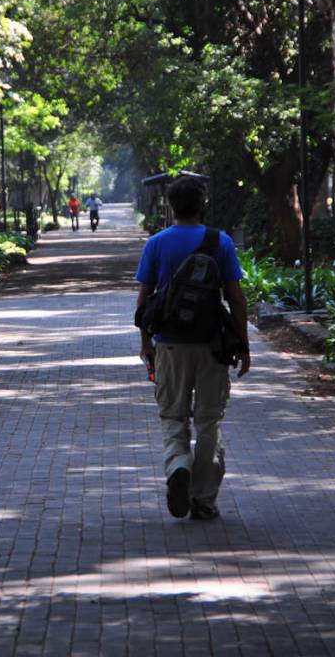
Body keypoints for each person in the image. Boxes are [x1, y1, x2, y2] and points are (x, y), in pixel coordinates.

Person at [135, 175, 250, 521]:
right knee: (209, 422)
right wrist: (243, 345)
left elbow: (144, 300)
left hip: (169, 345)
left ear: (171, 206)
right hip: (213, 345)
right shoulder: (221, 242)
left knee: (173, 416)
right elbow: (236, 297)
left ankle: (178, 466)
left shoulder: (156, 244)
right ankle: (203, 500)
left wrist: (146, 344)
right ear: (201, 204)